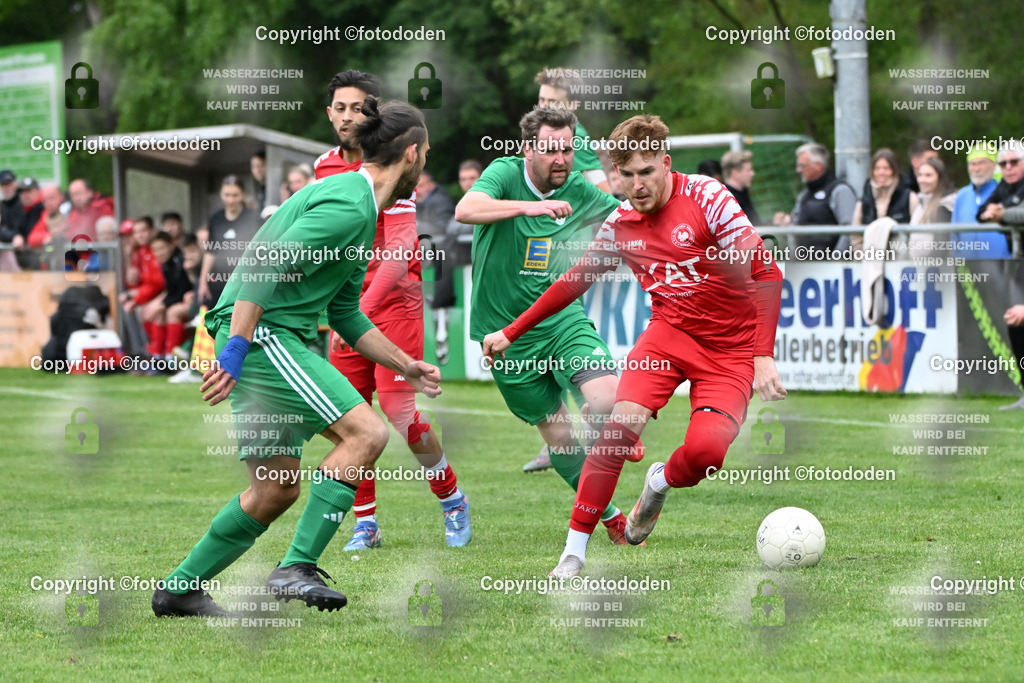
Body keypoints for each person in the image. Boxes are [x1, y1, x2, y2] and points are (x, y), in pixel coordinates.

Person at [152, 96, 439, 618]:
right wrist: (237, 351)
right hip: (263, 336)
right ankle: (295, 568)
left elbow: (346, 313)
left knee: (275, 489)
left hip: (260, 334)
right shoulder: (350, 205)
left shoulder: (356, 206)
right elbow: (261, 266)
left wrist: (404, 364)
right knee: (367, 434)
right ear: (413, 153)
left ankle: (178, 590)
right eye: (426, 157)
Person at [482, 114, 785, 577]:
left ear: (666, 163)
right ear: (615, 175)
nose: (637, 185)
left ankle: (659, 481)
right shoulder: (620, 222)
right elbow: (572, 282)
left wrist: (762, 354)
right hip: (667, 336)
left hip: (729, 349)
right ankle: (573, 553)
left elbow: (766, 271)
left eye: (647, 172)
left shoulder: (707, 197)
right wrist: (511, 331)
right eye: (627, 175)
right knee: (617, 432)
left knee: (706, 456)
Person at [455, 105, 641, 544]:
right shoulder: (503, 173)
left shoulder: (578, 188)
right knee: (560, 440)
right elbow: (466, 209)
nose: (561, 159)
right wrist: (527, 209)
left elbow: (626, 218)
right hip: (502, 335)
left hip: (559, 317)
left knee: (606, 398)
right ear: (528, 149)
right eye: (550, 150)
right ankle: (610, 515)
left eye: (568, 150)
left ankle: (613, 433)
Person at [313, 69, 470, 551]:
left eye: (358, 108)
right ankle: (366, 522)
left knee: (401, 415)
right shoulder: (323, 167)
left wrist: (354, 314)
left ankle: (452, 500)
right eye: (339, 107)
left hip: (392, 305)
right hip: (347, 306)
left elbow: (400, 254)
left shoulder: (391, 163)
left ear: (374, 114)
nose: (347, 117)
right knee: (349, 419)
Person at [535, 68, 611, 193]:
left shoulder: (574, 135)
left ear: (573, 105)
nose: (544, 107)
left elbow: (605, 192)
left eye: (553, 102)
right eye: (542, 100)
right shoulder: (542, 130)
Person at [772, 143, 856, 252]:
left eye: (802, 165)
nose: (798, 170)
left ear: (818, 165)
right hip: (805, 264)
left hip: (830, 265)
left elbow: (849, 230)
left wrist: (835, 261)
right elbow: (795, 225)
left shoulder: (840, 190)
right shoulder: (804, 195)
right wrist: (786, 223)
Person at [197, 176, 259, 310]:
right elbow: (210, 252)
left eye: (235, 195)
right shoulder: (216, 219)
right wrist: (203, 282)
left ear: (243, 195)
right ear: (221, 194)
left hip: (244, 284)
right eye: (227, 195)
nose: (230, 200)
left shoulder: (254, 218)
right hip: (219, 282)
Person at [850, 148, 912, 250]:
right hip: (869, 258)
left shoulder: (908, 197)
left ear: (894, 170)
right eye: (877, 168)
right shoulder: (864, 200)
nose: (881, 172)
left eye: (886, 168)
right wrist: (860, 255)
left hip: (900, 260)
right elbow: (856, 235)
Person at [951, 148, 1002, 259]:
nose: (977, 169)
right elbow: (954, 233)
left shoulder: (1002, 191)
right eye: (972, 164)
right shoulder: (962, 195)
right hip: (969, 267)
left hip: (1001, 265)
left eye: (982, 163)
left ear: (994, 165)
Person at [907, 157, 956, 258]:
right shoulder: (921, 202)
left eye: (928, 175)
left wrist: (929, 267)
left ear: (940, 178)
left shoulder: (945, 205)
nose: (922, 180)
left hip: (937, 269)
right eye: (920, 175)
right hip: (919, 266)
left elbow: (941, 246)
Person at [721, 150, 761, 225]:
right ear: (735, 173)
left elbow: (755, 225)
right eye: (748, 170)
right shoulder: (726, 199)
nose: (752, 173)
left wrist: (774, 222)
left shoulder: (742, 192)